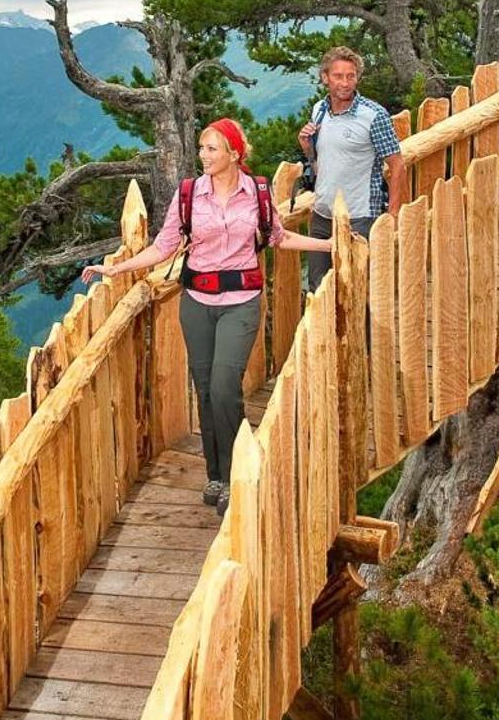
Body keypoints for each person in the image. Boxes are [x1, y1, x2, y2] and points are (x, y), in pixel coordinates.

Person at [82, 118, 331, 516]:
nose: (204, 156)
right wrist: (114, 270)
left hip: (241, 302)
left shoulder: (258, 194)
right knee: (205, 389)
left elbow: (279, 239)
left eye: (212, 149)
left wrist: (329, 242)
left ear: (235, 153)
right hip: (196, 303)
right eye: (202, 148)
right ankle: (215, 474)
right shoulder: (189, 196)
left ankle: (235, 475)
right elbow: (163, 247)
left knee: (224, 384)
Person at [298, 46, 406, 291]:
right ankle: (324, 332)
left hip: (360, 217)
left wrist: (394, 214)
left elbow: (397, 165)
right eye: (338, 76)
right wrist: (306, 145)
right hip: (322, 214)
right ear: (325, 77)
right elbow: (321, 163)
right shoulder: (319, 110)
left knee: (355, 289)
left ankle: (364, 332)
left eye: (351, 76)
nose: (345, 83)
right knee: (319, 288)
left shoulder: (374, 115)